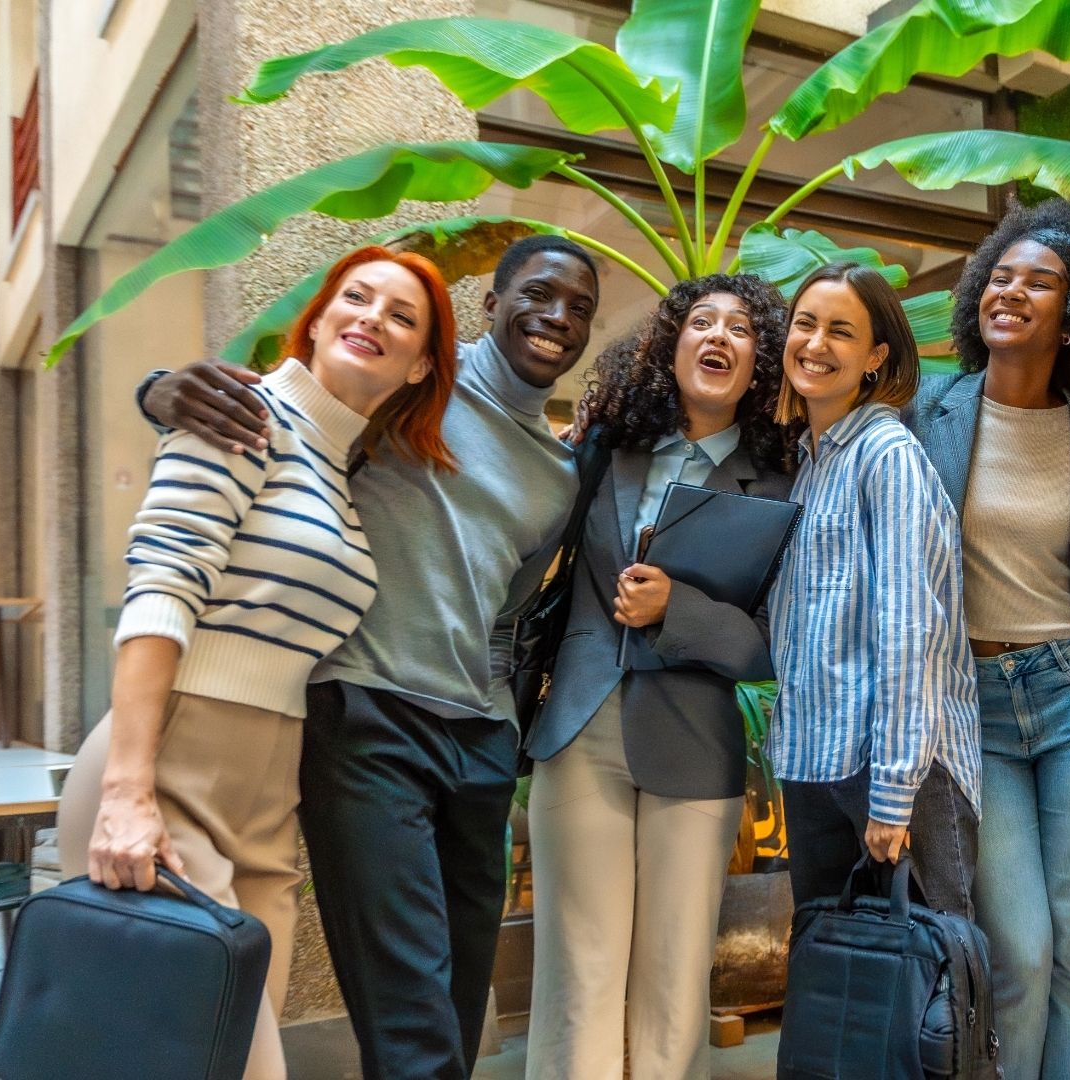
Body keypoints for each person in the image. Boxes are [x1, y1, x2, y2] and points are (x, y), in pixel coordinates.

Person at [138, 234, 602, 1080]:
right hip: (368, 717)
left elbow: (506, 613)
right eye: (538, 294)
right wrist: (159, 388)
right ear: (492, 305)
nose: (557, 317)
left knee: (460, 1003)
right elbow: (290, 404)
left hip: (479, 741)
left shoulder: (558, 473)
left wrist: (500, 723)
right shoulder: (414, 387)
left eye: (579, 309)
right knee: (407, 1007)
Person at [57, 246, 459, 1080]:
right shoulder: (243, 416)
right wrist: (128, 791)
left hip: (267, 798)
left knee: (221, 1056)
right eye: (355, 297)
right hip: (168, 770)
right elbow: (162, 588)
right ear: (317, 320)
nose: (371, 319)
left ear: (421, 364)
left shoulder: (339, 468)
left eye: (401, 316)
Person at [903, 198, 1070, 1080]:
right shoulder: (923, 414)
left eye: (1040, 281)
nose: (1010, 290)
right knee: (1018, 950)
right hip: (970, 704)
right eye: (1000, 275)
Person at [522, 274, 793, 1079]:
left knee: (674, 981)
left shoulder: (779, 482)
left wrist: (681, 610)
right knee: (577, 972)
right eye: (701, 321)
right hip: (580, 725)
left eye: (741, 328)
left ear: (760, 362)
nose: (718, 336)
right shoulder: (604, 446)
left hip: (694, 743)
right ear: (671, 344)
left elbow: (776, 643)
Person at [765, 262, 980, 916]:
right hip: (814, 760)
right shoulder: (810, 464)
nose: (815, 343)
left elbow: (909, 627)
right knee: (831, 963)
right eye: (805, 324)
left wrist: (893, 791)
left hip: (888, 770)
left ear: (875, 356)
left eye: (840, 331)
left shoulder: (886, 454)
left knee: (928, 966)